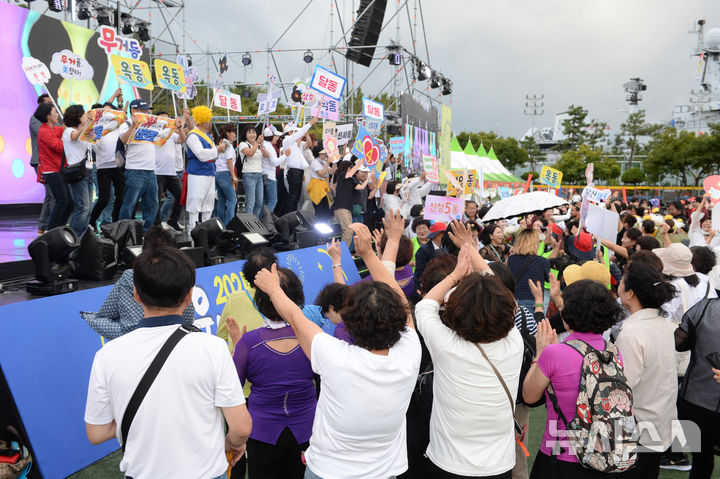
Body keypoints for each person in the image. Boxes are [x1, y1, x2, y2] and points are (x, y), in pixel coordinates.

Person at [252, 211, 421, 478]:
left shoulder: (336, 357)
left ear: (349, 321)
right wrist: (372, 252)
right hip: (385, 472)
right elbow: (402, 302)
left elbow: (295, 318)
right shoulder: (409, 353)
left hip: (328, 472)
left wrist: (273, 290)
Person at [84, 246, 252, 478]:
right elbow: (241, 428)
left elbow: (97, 432)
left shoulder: (107, 355)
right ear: (189, 296)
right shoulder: (212, 348)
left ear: (136, 295)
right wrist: (234, 443)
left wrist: (149, 417)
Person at [415, 243, 523, 478]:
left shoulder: (446, 346)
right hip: (500, 464)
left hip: (448, 464)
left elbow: (425, 306)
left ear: (455, 311)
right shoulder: (514, 342)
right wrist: (474, 257)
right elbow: (508, 299)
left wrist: (455, 275)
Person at [522, 280, 626, 478]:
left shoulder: (555, 353)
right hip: (602, 453)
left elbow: (529, 395)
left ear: (567, 317)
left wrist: (539, 354)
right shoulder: (613, 351)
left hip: (559, 454)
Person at [228, 268, 316, 479]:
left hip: (262, 433)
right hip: (308, 430)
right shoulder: (313, 335)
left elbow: (231, 389)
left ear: (259, 301)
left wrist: (237, 348)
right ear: (298, 298)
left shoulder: (249, 342)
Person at [615, 262, 679, 478]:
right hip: (659, 421)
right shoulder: (663, 322)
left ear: (630, 293)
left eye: (621, 282)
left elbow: (624, 386)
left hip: (639, 429)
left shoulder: (632, 332)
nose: (618, 285)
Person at [81, 226, 195, 340]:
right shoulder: (181, 273)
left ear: (137, 294)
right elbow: (189, 319)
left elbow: (106, 318)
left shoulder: (131, 276)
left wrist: (90, 318)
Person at [675, 295, 720, 478]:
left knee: (701, 462)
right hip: (699, 400)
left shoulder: (705, 307)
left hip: (695, 400)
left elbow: (679, 343)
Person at [118, 99, 159, 233]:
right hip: (135, 170)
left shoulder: (150, 125)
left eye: (147, 110)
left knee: (152, 204)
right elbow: (123, 140)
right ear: (133, 111)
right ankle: (124, 234)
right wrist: (133, 126)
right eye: (143, 110)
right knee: (129, 204)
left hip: (151, 171)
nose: (146, 113)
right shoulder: (127, 124)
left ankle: (147, 234)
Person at [186, 106, 226, 231]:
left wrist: (218, 150)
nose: (210, 122)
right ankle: (193, 228)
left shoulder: (207, 136)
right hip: (197, 172)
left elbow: (213, 154)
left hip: (209, 172)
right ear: (202, 120)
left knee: (208, 203)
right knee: (195, 201)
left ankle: (208, 229)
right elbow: (200, 154)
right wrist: (217, 150)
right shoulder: (193, 135)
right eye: (208, 119)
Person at [35, 103, 73, 231]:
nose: (57, 114)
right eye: (54, 112)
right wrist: (66, 138)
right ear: (47, 116)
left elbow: (65, 130)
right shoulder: (44, 131)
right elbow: (59, 147)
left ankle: (59, 228)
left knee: (70, 202)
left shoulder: (53, 129)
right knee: (61, 201)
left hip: (60, 170)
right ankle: (50, 230)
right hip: (51, 171)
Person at [89, 101, 126, 229]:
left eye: (110, 111)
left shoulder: (120, 126)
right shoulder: (97, 127)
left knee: (120, 197)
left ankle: (115, 223)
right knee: (104, 199)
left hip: (118, 165)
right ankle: (91, 222)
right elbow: (95, 147)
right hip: (103, 167)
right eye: (104, 111)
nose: (107, 114)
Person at [61, 105, 93, 237]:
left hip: (89, 170)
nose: (86, 116)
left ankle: (82, 238)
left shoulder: (86, 131)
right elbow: (75, 136)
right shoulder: (68, 131)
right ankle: (72, 237)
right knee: (83, 207)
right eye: (84, 114)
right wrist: (88, 124)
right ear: (78, 117)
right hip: (77, 173)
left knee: (88, 208)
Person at [153, 111, 187, 231]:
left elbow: (182, 139)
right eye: (162, 119)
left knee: (181, 196)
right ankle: (158, 223)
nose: (165, 121)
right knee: (156, 200)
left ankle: (173, 221)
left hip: (171, 172)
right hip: (157, 172)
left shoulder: (172, 134)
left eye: (167, 119)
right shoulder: (154, 133)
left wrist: (179, 128)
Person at [281, 116, 318, 215]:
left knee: (296, 197)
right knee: (292, 197)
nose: (298, 134)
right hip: (293, 172)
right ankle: (289, 218)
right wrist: (310, 123)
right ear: (289, 133)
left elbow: (308, 143)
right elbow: (298, 136)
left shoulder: (297, 143)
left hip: (298, 172)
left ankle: (293, 218)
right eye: (295, 132)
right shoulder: (287, 141)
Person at [30, 94, 55, 234]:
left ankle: (43, 226)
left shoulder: (52, 120)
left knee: (51, 194)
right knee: (52, 193)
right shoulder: (35, 120)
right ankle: (52, 226)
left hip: (51, 160)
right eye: (48, 104)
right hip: (40, 161)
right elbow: (44, 134)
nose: (52, 107)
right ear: (40, 105)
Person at [507, 229, 550, 309]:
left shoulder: (511, 259)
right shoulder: (542, 261)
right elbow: (548, 279)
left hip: (514, 301)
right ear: (535, 243)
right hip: (533, 302)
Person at [332, 158, 365, 247]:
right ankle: (342, 253)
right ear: (347, 168)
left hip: (347, 208)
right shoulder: (341, 175)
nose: (352, 170)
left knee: (350, 231)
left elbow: (361, 187)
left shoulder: (350, 180)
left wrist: (370, 176)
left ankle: (343, 252)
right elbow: (349, 174)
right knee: (348, 231)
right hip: (341, 208)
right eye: (351, 167)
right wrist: (358, 164)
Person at [238, 124, 266, 218]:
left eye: (254, 132)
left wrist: (261, 145)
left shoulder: (257, 145)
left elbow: (267, 155)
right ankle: (247, 226)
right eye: (249, 133)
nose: (252, 135)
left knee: (259, 202)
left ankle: (255, 222)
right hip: (249, 175)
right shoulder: (243, 144)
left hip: (259, 175)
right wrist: (256, 143)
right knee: (251, 202)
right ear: (245, 134)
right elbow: (250, 153)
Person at [214, 123, 238, 226]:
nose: (234, 134)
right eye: (233, 132)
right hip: (225, 174)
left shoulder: (221, 143)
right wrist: (233, 176)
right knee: (232, 200)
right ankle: (229, 225)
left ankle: (220, 225)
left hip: (218, 174)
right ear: (227, 133)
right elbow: (229, 161)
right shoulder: (227, 144)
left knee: (221, 201)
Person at [307, 145, 335, 221]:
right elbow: (321, 173)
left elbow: (331, 172)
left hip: (322, 188)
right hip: (317, 187)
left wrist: (335, 162)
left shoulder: (323, 162)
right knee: (319, 209)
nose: (325, 155)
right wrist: (328, 163)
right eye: (323, 153)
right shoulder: (315, 162)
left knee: (325, 209)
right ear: (318, 154)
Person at [262, 127, 285, 215]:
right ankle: (266, 220)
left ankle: (262, 220)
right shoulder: (270, 147)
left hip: (263, 175)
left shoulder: (263, 144)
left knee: (264, 201)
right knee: (272, 201)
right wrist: (285, 155)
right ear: (271, 136)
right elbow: (275, 162)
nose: (277, 138)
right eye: (276, 136)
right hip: (270, 177)